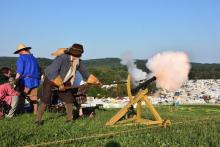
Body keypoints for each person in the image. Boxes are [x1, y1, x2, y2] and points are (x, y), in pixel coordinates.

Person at [36, 43, 100, 125]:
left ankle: (69, 120)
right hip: (50, 79)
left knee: (69, 99)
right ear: (72, 53)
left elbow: (85, 74)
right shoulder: (62, 58)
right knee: (45, 99)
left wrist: (95, 81)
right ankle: (38, 120)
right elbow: (52, 71)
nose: (78, 56)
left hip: (64, 81)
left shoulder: (78, 61)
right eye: (77, 54)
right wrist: (59, 84)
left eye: (79, 55)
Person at [14, 43, 41, 115]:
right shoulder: (34, 58)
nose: (19, 53)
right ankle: (35, 112)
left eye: (19, 52)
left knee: (21, 96)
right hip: (35, 80)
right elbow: (39, 69)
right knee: (34, 97)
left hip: (25, 81)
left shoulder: (21, 58)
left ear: (21, 51)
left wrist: (16, 81)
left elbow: (19, 71)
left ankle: (20, 111)